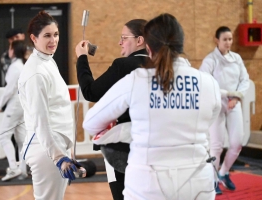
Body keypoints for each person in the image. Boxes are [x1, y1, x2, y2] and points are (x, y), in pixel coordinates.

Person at [83, 13, 221, 200]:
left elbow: (91, 123)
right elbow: (210, 121)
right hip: (198, 183)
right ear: (181, 44)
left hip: (148, 184)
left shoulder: (137, 80)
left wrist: (131, 130)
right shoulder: (208, 82)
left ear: (148, 46)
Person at [75, 19, 147, 200]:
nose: (119, 42)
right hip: (156, 143)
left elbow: (90, 92)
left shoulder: (123, 65)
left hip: (123, 145)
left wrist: (82, 58)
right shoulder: (162, 65)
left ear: (140, 40)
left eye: (124, 38)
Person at [18, 11, 79, 200]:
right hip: (45, 150)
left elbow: (56, 110)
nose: (53, 40)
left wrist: (66, 150)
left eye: (56, 34)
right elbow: (41, 121)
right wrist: (58, 157)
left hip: (53, 147)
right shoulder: (36, 72)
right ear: (33, 38)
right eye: (47, 35)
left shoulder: (47, 61)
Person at [199, 26, 250, 195]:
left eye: (230, 39)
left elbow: (245, 80)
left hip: (234, 104)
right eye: (225, 39)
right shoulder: (210, 60)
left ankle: (223, 172)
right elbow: (204, 82)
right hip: (216, 105)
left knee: (237, 143)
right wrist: (227, 94)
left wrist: (236, 97)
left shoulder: (237, 58)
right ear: (217, 40)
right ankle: (212, 180)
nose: (228, 43)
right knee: (216, 146)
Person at [0, 40, 28, 181]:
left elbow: (10, 89)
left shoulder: (15, 67)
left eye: (10, 48)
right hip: (22, 105)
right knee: (21, 139)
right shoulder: (22, 66)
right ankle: (23, 170)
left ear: (13, 51)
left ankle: (14, 168)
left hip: (15, 104)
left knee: (4, 136)